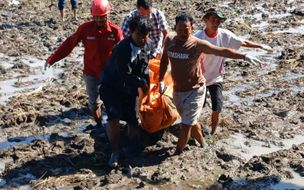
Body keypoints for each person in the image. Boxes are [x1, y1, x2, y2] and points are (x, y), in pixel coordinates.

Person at [158, 12, 262, 155]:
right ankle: (202, 142)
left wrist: (244, 56)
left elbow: (221, 51)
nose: (183, 33)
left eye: (186, 29)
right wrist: (160, 80)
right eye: (180, 30)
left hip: (195, 90)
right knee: (191, 121)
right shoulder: (169, 40)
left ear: (192, 28)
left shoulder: (197, 44)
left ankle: (177, 153)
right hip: (178, 90)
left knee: (186, 124)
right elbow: (163, 61)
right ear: (175, 28)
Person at [194, 8, 272, 135]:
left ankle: (212, 132)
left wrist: (259, 46)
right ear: (205, 20)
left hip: (215, 78)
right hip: (199, 78)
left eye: (218, 21)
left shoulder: (224, 35)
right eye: (213, 20)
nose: (216, 23)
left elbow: (242, 42)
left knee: (217, 107)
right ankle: (196, 131)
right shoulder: (197, 37)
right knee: (197, 108)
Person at [45, 0, 123, 127]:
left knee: (111, 102)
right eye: (96, 17)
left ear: (108, 15)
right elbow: (70, 44)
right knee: (93, 103)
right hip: (90, 72)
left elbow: (123, 51)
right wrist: (52, 58)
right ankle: (99, 125)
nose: (99, 20)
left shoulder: (115, 31)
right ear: (92, 15)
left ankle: (112, 126)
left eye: (102, 17)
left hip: (108, 73)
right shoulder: (85, 29)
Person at [100, 15, 152, 168]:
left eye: (145, 36)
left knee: (133, 120)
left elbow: (145, 69)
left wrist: (148, 83)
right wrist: (142, 83)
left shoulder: (146, 46)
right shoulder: (122, 48)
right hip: (112, 87)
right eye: (138, 36)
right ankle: (115, 151)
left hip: (129, 89)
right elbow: (125, 75)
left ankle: (133, 148)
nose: (142, 39)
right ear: (130, 32)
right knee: (114, 117)